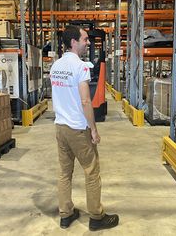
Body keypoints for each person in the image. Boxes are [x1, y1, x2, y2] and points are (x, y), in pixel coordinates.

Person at [50, 25, 119, 231]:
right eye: (85, 39)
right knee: (91, 171)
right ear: (73, 42)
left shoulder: (56, 66)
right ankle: (97, 217)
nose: (88, 43)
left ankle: (66, 214)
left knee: (64, 172)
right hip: (78, 129)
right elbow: (86, 101)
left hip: (60, 127)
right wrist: (94, 129)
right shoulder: (81, 67)